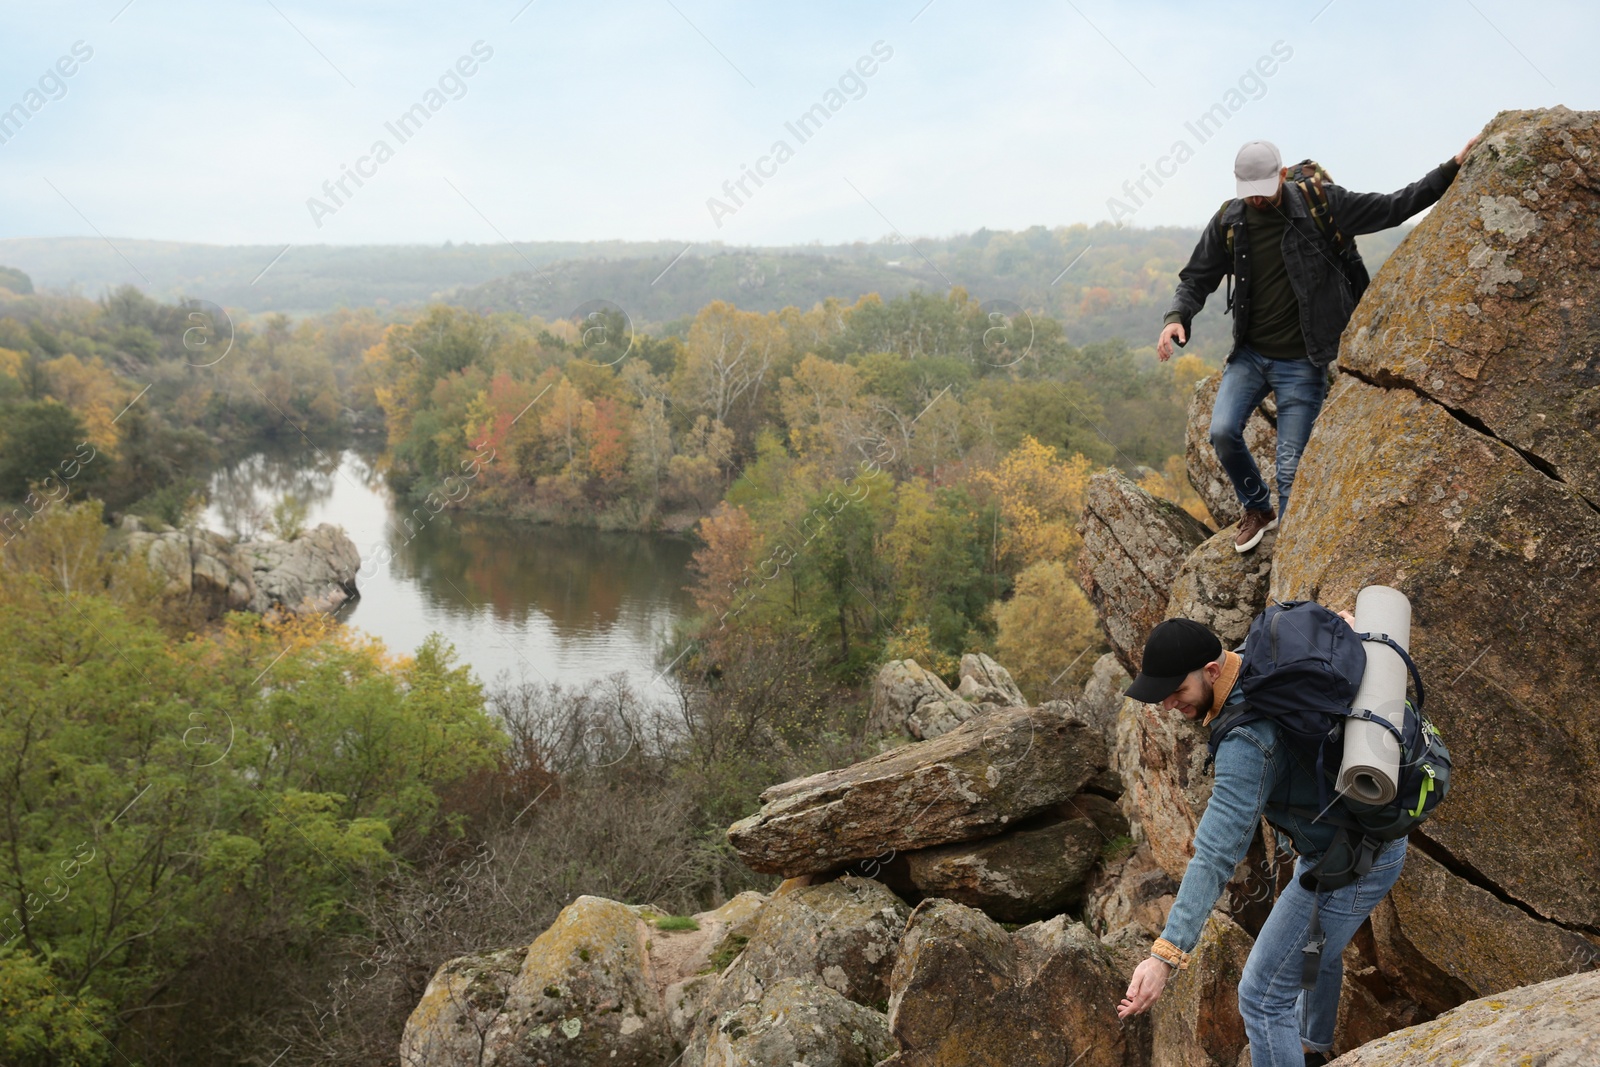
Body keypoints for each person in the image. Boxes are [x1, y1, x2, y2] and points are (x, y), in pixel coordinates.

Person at [1157, 136, 1477, 553]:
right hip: (1250, 355)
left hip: (1302, 363)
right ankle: (1257, 507)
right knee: (1220, 431)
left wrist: (1451, 167)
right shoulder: (1230, 221)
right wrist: (1176, 318)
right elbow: (1196, 278)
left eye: (1264, 190)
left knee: (1291, 472)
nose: (1256, 200)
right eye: (1248, 192)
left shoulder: (1320, 203)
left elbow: (1395, 206)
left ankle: (1289, 573)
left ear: (1283, 175)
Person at [1112, 616, 1405, 1067]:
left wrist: (1164, 955)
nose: (1169, 704)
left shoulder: (1247, 741)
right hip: (1351, 844)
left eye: (1176, 691)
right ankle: (1311, 1047)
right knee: (1313, 946)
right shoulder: (1259, 658)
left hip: (1354, 860)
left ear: (1211, 671)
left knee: (1262, 995)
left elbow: (1214, 855)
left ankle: (1305, 1047)